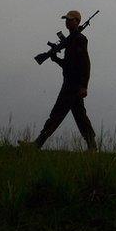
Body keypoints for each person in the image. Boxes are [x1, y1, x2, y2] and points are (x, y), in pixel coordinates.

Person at [28, 10, 97, 151]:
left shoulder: (79, 39)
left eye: (70, 19)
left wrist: (84, 86)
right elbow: (68, 64)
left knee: (57, 114)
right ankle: (92, 147)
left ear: (77, 21)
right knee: (80, 117)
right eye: (66, 19)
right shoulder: (70, 40)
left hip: (73, 85)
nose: (67, 22)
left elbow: (85, 64)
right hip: (70, 83)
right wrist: (55, 59)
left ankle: (37, 145)